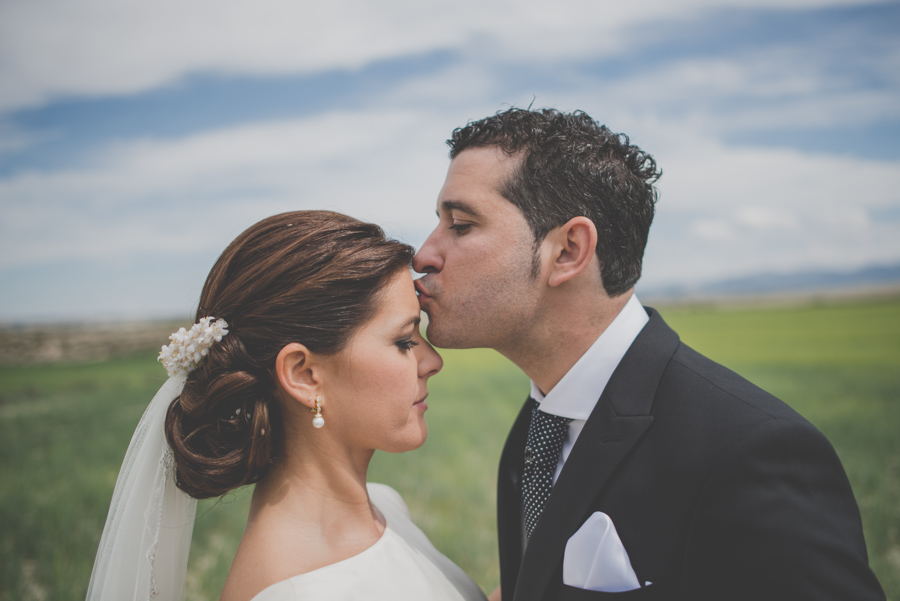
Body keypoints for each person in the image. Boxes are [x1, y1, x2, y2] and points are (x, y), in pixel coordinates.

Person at [413, 108, 885, 601]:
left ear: (569, 251)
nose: (423, 254)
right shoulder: (541, 424)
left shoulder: (749, 451)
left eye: (461, 225)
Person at [86, 211, 488, 601]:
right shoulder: (292, 592)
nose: (432, 361)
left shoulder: (386, 507)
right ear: (304, 374)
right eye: (404, 341)